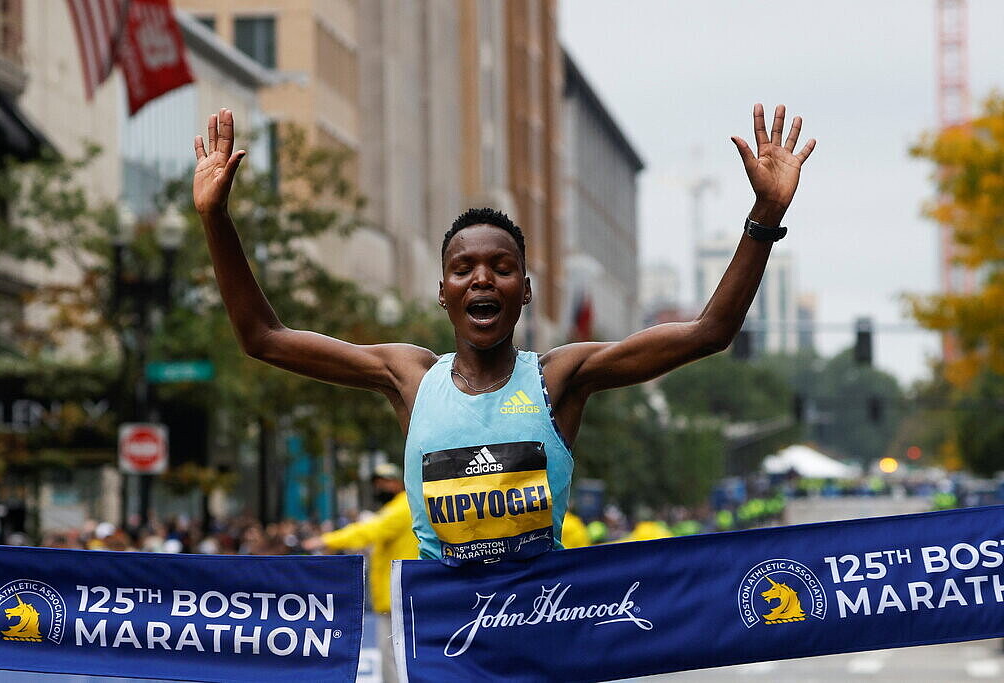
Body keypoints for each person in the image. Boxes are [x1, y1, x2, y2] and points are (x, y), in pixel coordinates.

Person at [192, 103, 814, 566]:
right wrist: (215, 218)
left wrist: (765, 216)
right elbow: (263, 337)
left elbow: (709, 332)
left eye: (502, 267)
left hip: (541, 638)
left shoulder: (560, 379)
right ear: (444, 292)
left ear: (526, 290)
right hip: (446, 648)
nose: (482, 279)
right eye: (463, 268)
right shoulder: (409, 378)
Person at [303, 463, 414, 682]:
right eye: (377, 484)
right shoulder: (398, 507)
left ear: (397, 483)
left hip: (397, 597)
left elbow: (369, 531)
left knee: (393, 660)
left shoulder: (403, 507)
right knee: (394, 658)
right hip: (395, 597)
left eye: (383, 483)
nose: (379, 488)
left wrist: (327, 540)